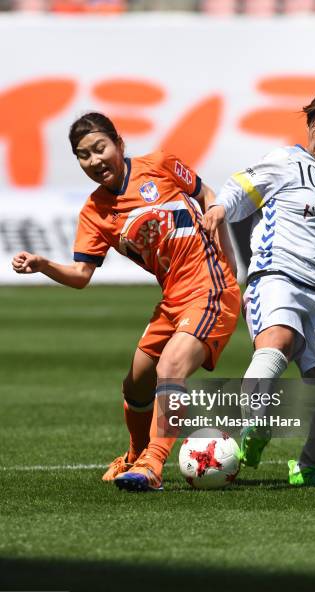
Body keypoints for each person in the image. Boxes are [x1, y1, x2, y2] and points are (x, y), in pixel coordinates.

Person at [12, 112, 240, 492]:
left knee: (170, 368)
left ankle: (153, 464)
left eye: (100, 148)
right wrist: (43, 265)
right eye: (84, 156)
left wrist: (229, 268)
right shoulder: (95, 212)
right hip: (172, 299)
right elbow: (82, 276)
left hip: (210, 287)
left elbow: (209, 199)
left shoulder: (161, 165)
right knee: (136, 384)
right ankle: (135, 455)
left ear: (119, 143)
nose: (95, 161)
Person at [202, 87, 315, 487]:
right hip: (276, 276)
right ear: (310, 125)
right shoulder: (284, 161)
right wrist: (221, 207)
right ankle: (255, 428)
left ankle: (307, 468)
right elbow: (241, 189)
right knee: (278, 341)